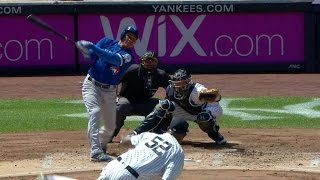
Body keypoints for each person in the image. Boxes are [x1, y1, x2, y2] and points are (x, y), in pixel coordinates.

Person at [77, 26, 139, 162]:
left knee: (110, 127)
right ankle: (95, 151)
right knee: (95, 112)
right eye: (129, 36)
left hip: (110, 90)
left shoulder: (129, 56)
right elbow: (91, 58)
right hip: (91, 85)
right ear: (122, 36)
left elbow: (114, 59)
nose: (130, 40)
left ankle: (100, 143)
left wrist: (92, 47)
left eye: (133, 39)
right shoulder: (106, 42)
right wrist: (85, 51)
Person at [131, 69, 227, 145]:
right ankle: (144, 133)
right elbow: (167, 107)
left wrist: (211, 95)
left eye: (182, 83)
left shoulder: (196, 90)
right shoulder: (170, 89)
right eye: (177, 84)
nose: (179, 86)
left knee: (203, 118)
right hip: (186, 110)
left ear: (188, 82)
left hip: (207, 109)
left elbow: (211, 96)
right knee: (164, 106)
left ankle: (215, 134)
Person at [97, 118, 189, 180]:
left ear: (168, 129)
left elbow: (125, 142)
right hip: (128, 177)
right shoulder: (177, 152)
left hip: (112, 167)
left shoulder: (149, 135)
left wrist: (128, 135)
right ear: (184, 135)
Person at [113, 50, 171, 139]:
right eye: (147, 60)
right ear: (142, 61)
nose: (150, 62)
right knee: (122, 104)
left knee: (164, 105)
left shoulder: (161, 74)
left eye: (153, 60)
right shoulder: (132, 70)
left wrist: (168, 99)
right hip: (128, 101)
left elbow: (171, 89)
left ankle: (158, 132)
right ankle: (112, 131)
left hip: (145, 103)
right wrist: (117, 96)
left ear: (157, 62)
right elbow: (115, 81)